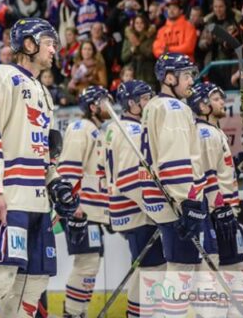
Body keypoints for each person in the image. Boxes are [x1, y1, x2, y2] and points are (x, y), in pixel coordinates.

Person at [0, 19, 79, 318]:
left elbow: (41, 152)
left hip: (37, 200)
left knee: (33, 283)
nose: (54, 49)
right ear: (29, 44)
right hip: (7, 195)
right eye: (49, 42)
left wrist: (56, 182)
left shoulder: (44, 92)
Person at [141, 53, 215, 316]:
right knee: (181, 269)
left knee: (180, 267)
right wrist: (189, 202)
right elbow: (175, 159)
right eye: (186, 76)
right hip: (178, 200)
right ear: (169, 78)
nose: (191, 82)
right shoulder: (174, 108)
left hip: (166, 199)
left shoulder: (153, 106)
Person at [103, 80, 166, 318]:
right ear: (132, 104)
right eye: (145, 97)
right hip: (137, 212)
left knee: (146, 269)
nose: (150, 101)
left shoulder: (114, 127)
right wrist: (158, 209)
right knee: (152, 269)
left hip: (124, 210)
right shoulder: (133, 131)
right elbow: (130, 181)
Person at [188, 82, 243, 311]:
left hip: (225, 211)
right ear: (202, 104)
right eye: (216, 98)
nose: (222, 102)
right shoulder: (203, 132)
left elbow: (218, 170)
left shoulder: (215, 131)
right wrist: (217, 208)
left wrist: (238, 164)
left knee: (236, 268)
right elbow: (205, 176)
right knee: (213, 272)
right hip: (216, 213)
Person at [57, 85, 110, 318]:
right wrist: (73, 205)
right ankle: (73, 313)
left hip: (93, 211)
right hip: (82, 210)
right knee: (86, 263)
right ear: (93, 106)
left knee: (91, 264)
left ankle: (78, 311)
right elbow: (68, 168)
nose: (110, 104)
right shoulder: (81, 127)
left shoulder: (98, 131)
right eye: (104, 100)